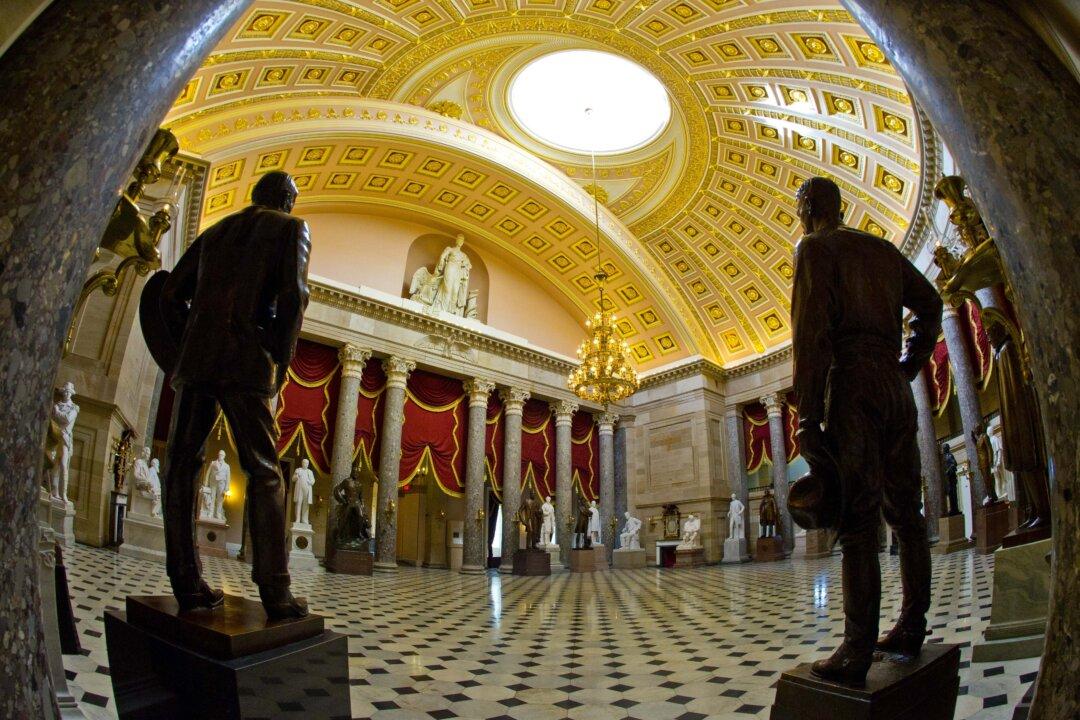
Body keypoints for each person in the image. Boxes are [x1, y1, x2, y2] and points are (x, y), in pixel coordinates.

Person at [791, 176, 942, 685]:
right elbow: (932, 304)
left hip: (852, 382)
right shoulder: (880, 250)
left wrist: (808, 416)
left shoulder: (815, 248)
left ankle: (857, 650)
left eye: (799, 208)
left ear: (809, 207)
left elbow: (810, 335)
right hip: (894, 386)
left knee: (858, 523)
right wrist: (910, 362)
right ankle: (911, 627)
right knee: (908, 516)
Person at [156, 171, 310, 619]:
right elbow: (294, 296)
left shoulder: (216, 231)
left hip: (197, 360)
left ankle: (186, 582)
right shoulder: (290, 228)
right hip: (246, 359)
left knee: (181, 464)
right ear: (286, 200)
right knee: (264, 471)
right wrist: (279, 360)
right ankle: (276, 591)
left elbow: (169, 294)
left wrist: (189, 342)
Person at [291, 458, 315, 525]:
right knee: (298, 503)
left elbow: (313, 481)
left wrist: (309, 481)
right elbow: (293, 479)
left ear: (308, 464)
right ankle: (297, 519)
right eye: (304, 463)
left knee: (306, 505)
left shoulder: (310, 472)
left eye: (307, 463)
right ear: (302, 463)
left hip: (307, 490)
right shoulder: (298, 470)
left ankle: (304, 519)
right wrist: (296, 476)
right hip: (299, 490)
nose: (305, 464)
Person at [941, 445, 961, 516]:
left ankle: (955, 509)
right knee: (950, 494)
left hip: (951, 477)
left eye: (943, 448)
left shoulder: (949, 455)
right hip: (947, 478)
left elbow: (954, 464)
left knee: (953, 494)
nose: (942, 449)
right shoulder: (943, 457)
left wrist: (948, 471)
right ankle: (953, 509)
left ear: (946, 449)